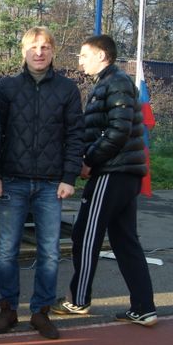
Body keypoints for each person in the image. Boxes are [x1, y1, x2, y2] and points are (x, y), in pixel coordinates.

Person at [51, 34, 157, 327]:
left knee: (85, 234)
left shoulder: (116, 83)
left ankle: (78, 300)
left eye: (84, 55)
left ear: (102, 55)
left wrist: (89, 161)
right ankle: (144, 307)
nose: (80, 60)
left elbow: (117, 131)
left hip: (113, 174)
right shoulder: (107, 84)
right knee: (125, 241)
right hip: (123, 173)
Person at [0, 27, 83, 340]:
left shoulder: (68, 89)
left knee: (50, 252)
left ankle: (40, 312)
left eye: (45, 47)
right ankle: (8, 309)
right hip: (12, 182)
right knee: (6, 251)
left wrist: (69, 177)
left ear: (53, 51)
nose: (39, 53)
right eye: (33, 47)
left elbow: (74, 136)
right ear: (22, 51)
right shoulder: (6, 88)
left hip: (50, 186)